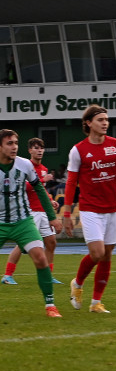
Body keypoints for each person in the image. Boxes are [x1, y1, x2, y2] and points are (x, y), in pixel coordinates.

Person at [62, 105, 116, 314]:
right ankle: (77, 283)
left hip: (112, 208)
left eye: (106, 119)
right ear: (88, 123)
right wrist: (67, 214)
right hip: (90, 208)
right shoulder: (78, 150)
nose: (105, 123)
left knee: (107, 255)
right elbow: (70, 183)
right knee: (97, 252)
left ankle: (96, 303)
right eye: (100, 120)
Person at [0, 130, 64, 317]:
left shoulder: (25, 165)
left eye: (15, 143)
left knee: (40, 258)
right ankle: (8, 275)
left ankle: (50, 306)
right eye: (9, 143)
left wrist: (52, 216)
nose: (14, 147)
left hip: (23, 221)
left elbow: (40, 190)